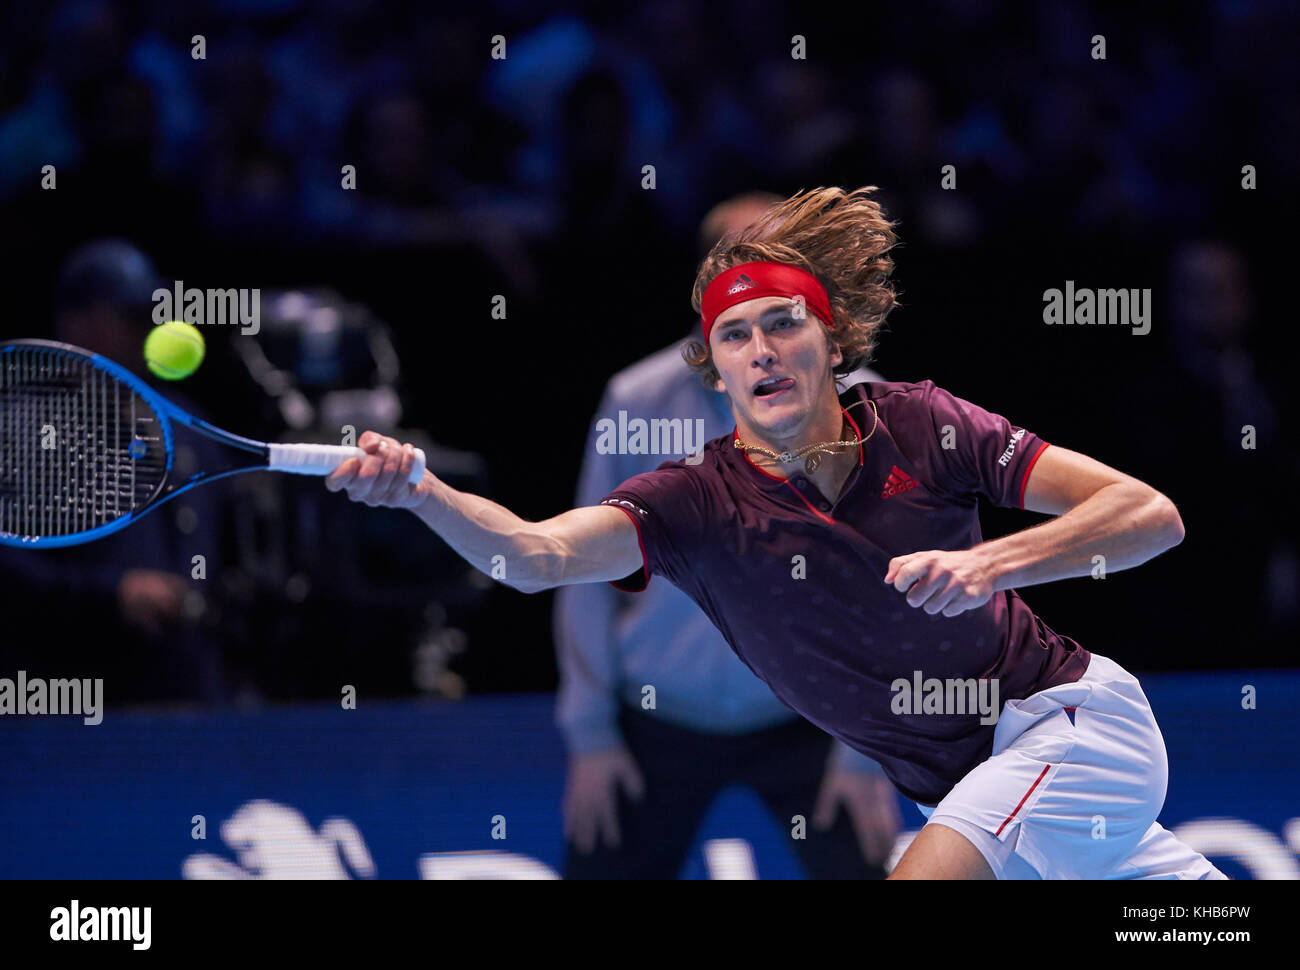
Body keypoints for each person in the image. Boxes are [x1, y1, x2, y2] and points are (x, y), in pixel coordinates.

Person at [326, 186, 1226, 880]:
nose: (760, 348)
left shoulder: (923, 425)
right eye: (733, 335)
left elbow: (1150, 516)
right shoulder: (695, 500)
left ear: (832, 343)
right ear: (715, 370)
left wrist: (992, 561)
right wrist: (421, 492)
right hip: (957, 783)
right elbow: (535, 557)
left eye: (783, 323)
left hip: (1063, 723)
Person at [555, 192, 898, 879]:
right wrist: (590, 736)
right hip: (656, 714)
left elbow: (889, 589)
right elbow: (581, 568)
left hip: (812, 713)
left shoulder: (862, 402)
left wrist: (868, 750)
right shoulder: (637, 399)